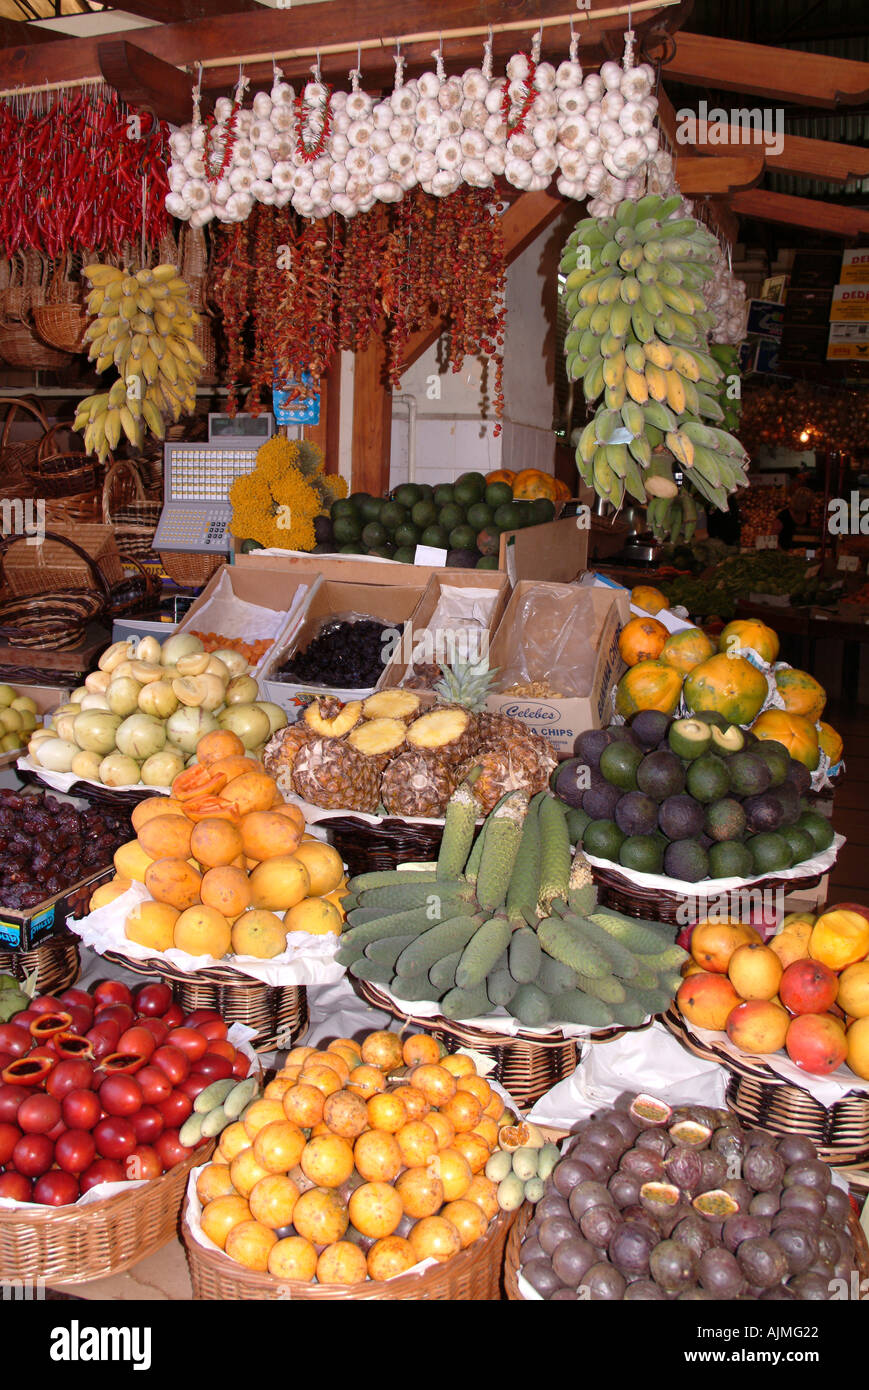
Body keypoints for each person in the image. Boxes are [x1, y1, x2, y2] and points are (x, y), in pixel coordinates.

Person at [774, 486, 814, 551]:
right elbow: (772, 538)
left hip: (800, 556)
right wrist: (784, 554)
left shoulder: (808, 516)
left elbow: (810, 541)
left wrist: (809, 558)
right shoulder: (784, 516)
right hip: (784, 555)